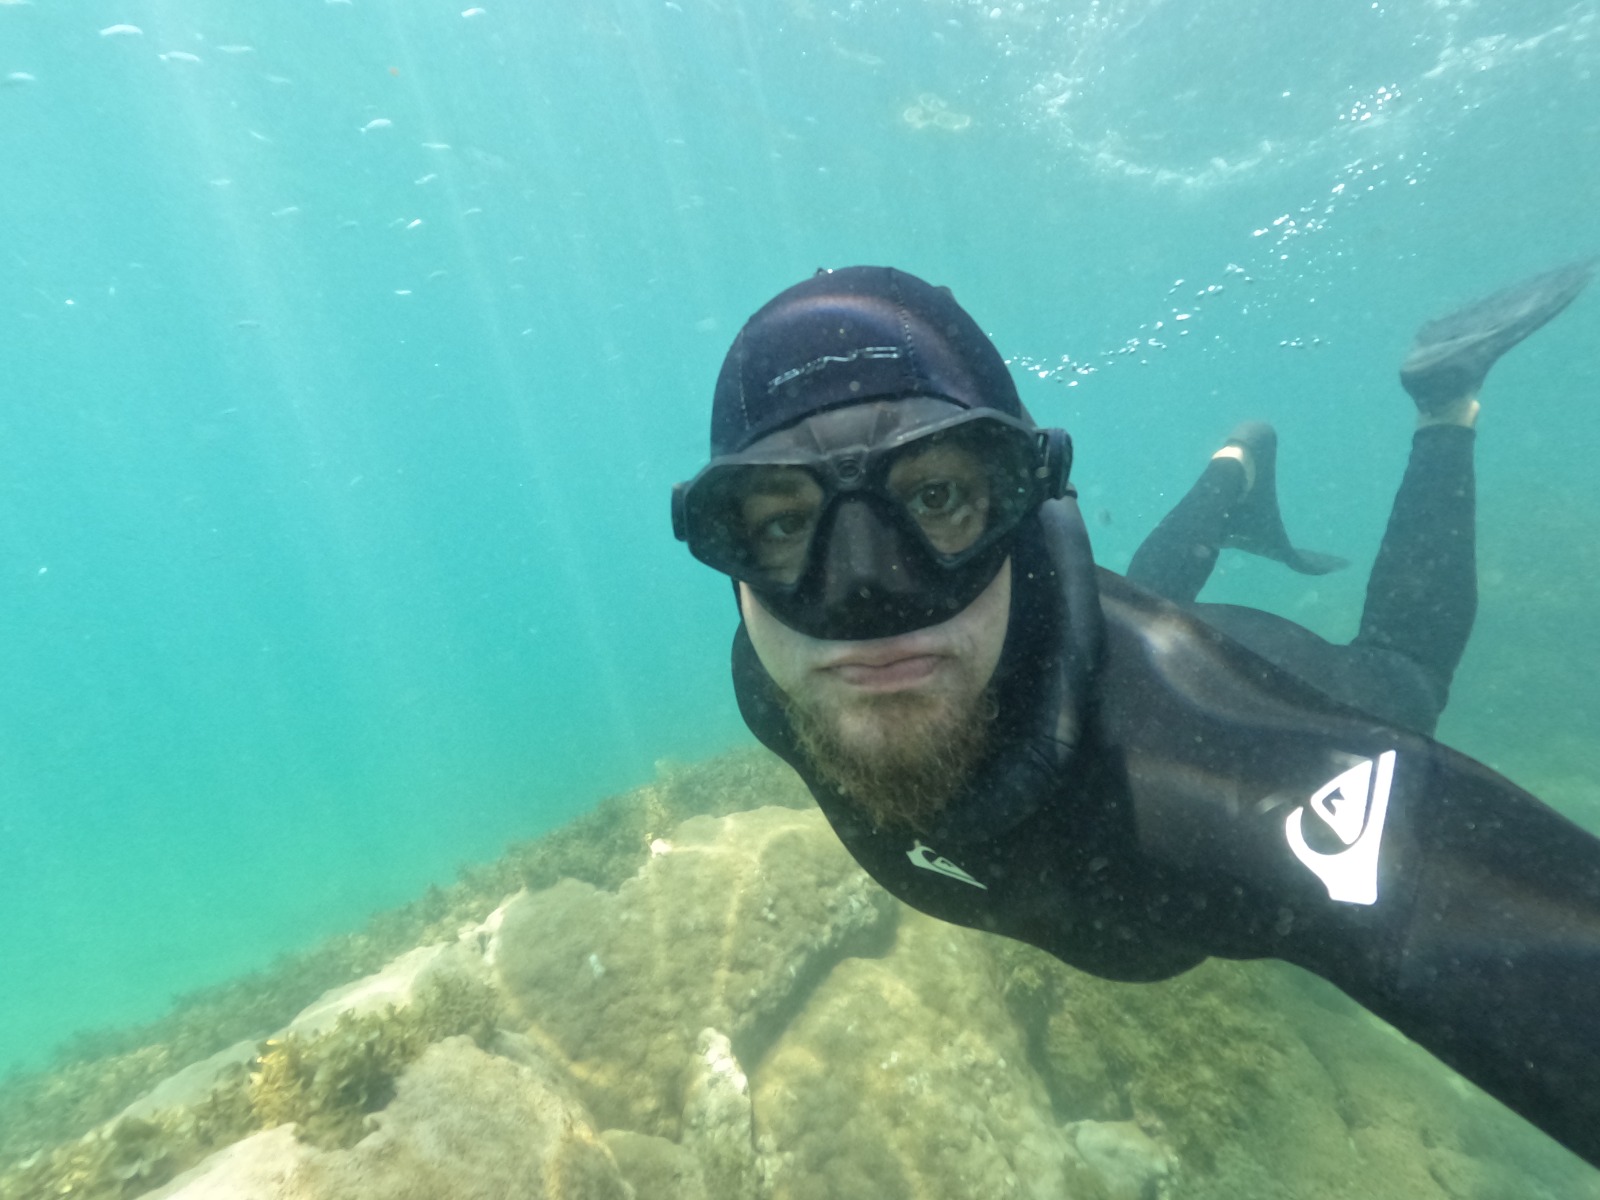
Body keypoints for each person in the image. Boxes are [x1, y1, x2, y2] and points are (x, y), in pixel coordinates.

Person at [670, 262, 1600, 1167]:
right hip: (1058, 647)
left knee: (1401, 677)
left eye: (940, 495)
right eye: (782, 525)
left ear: (1025, 502)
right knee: (1119, 612)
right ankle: (1231, 478)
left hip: (1207, 673)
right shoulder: (778, 684)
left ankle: (1446, 403)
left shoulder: (1229, 777)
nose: (866, 601)